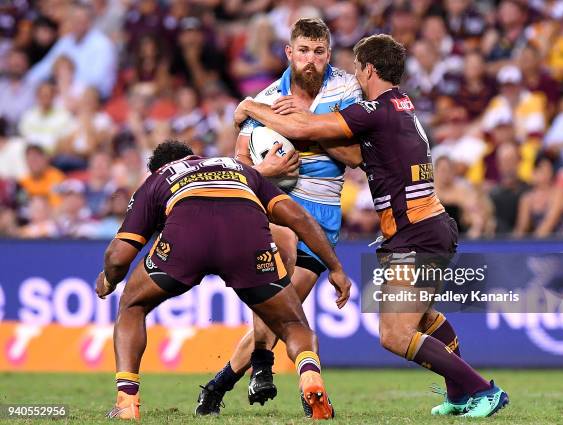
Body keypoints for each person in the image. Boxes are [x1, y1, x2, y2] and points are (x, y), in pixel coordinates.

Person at [234, 34, 509, 418]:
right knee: (424, 318)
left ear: (369, 69)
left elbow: (304, 129)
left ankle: (484, 391)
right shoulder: (401, 106)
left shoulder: (374, 109)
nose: (355, 76)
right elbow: (347, 151)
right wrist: (316, 133)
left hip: (416, 232)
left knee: (395, 335)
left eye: (358, 68)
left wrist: (251, 107)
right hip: (424, 226)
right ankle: (460, 396)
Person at [95, 140, 351, 420]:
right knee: (293, 324)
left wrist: (109, 280)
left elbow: (119, 256)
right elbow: (298, 218)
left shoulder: (159, 178)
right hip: (247, 240)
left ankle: (127, 401)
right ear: (196, 156)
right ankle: (309, 376)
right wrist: (335, 267)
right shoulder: (239, 169)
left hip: (187, 238)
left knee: (132, 306)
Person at [199, 18, 361, 414]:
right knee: (283, 309)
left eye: (319, 51)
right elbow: (240, 170)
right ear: (289, 52)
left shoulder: (347, 89)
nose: (311, 60)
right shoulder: (268, 98)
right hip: (277, 212)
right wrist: (266, 167)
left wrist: (304, 128)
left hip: (323, 220)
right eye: (303, 51)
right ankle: (302, 389)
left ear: (328, 53)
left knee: (280, 312)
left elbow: (356, 157)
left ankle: (221, 385)